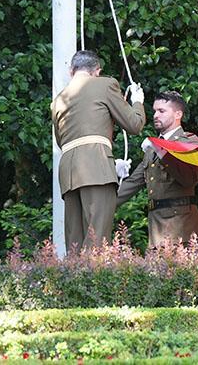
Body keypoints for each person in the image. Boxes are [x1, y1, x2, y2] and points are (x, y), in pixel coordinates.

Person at [51, 50, 145, 250]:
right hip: (96, 168)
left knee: (74, 242)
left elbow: (62, 141)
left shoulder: (59, 99)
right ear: (97, 71)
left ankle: (72, 280)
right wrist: (138, 102)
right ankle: (92, 280)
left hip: (69, 172)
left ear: (71, 71)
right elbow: (134, 124)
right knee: (97, 239)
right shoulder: (105, 84)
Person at [116, 91, 198, 247]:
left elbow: (187, 179)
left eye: (162, 111)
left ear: (178, 114)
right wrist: (101, 202)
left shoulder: (188, 141)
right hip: (157, 229)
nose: (155, 115)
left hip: (182, 229)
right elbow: (132, 185)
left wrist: (162, 151)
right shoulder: (153, 147)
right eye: (155, 111)